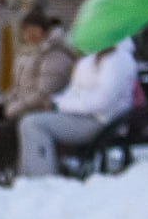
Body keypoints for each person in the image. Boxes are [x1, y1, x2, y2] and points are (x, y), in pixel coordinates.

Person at [0, 8, 75, 191]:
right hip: (20, 111)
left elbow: (43, 93)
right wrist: (3, 104)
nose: (29, 35)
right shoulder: (27, 53)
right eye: (26, 30)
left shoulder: (55, 56)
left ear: (43, 30)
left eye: (33, 30)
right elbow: (17, 89)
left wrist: (11, 110)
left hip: (36, 113)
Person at [18, 37, 139, 177]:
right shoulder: (94, 56)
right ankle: (27, 179)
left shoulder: (117, 59)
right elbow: (75, 92)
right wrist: (55, 102)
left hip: (101, 122)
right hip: (82, 116)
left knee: (34, 124)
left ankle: (43, 179)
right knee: (26, 121)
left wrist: (60, 106)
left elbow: (102, 101)